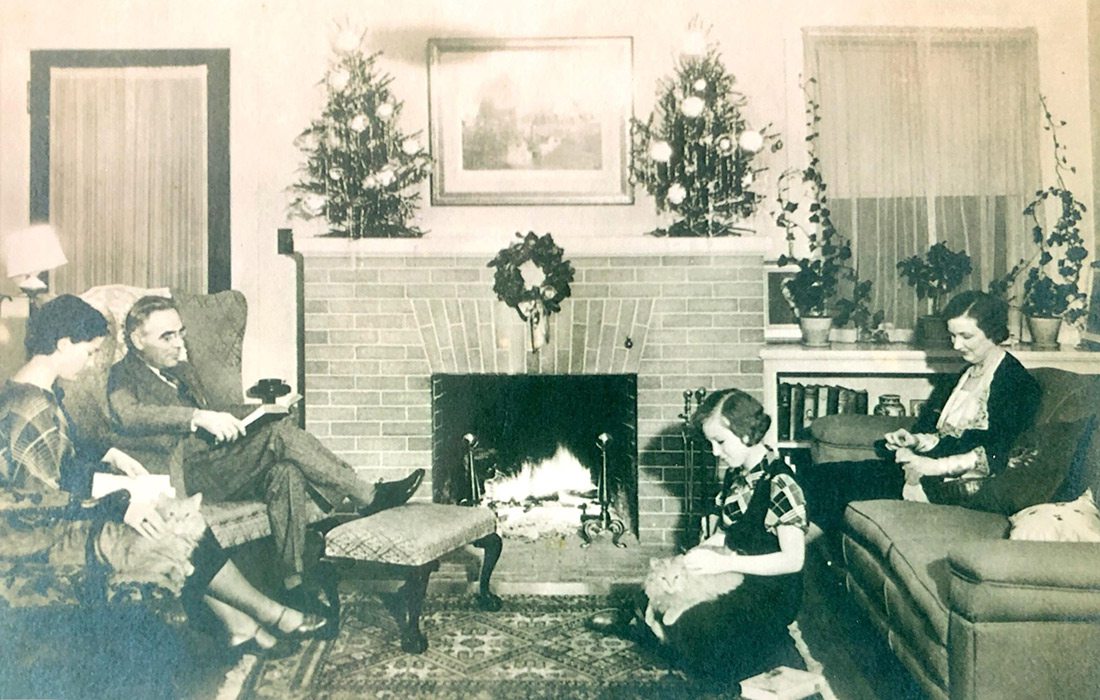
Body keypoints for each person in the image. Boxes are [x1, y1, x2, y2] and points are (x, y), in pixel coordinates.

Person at [0, 295, 328, 662]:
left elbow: (65, 459)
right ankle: (268, 614)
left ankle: (243, 626)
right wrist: (118, 502)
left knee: (170, 512)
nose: (93, 362)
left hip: (62, 510)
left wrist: (109, 455)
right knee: (169, 525)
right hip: (38, 534)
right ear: (63, 344)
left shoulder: (39, 392)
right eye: (90, 352)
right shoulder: (27, 409)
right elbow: (36, 500)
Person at [106, 295, 424, 598]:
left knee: (285, 472)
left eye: (180, 333)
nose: (179, 343)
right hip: (187, 474)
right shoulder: (122, 375)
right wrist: (196, 417)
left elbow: (222, 412)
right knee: (278, 436)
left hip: (218, 463)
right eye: (167, 336)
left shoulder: (183, 372)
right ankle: (367, 496)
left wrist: (265, 412)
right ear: (137, 340)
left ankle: (293, 582)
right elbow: (129, 415)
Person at [588, 388, 808, 684]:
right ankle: (656, 627)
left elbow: (793, 561)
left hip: (769, 591)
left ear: (746, 434)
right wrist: (698, 553)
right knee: (656, 592)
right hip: (732, 573)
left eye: (720, 442)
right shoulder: (737, 475)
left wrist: (725, 565)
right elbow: (727, 532)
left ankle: (702, 661)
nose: (716, 452)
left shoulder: (781, 484)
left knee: (697, 624)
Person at [800, 290, 1042, 545]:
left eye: (966, 336)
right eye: (952, 335)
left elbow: (1000, 453)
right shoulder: (965, 374)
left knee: (839, 488)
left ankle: (787, 560)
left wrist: (933, 466)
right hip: (927, 469)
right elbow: (942, 434)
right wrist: (914, 440)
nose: (957, 345)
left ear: (993, 331)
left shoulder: (1016, 383)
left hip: (959, 486)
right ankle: (786, 555)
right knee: (820, 475)